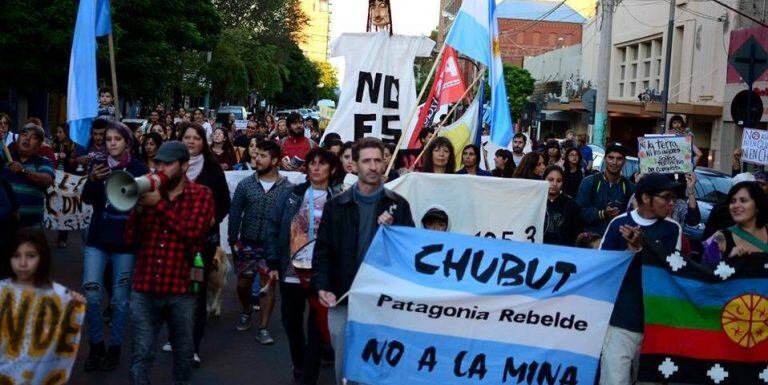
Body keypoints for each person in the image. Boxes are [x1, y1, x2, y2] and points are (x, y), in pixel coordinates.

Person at [312, 138, 415, 385]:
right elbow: (324, 251)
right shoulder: (337, 206)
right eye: (366, 161)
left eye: (377, 160)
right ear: (354, 165)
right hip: (343, 298)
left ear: (384, 163)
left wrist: (394, 232)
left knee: (379, 367)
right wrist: (322, 286)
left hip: (382, 302)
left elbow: (409, 254)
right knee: (345, 368)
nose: (372, 166)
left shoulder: (398, 206)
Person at [125, 141, 215, 385]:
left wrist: (160, 206)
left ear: (184, 166)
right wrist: (138, 210)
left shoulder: (201, 195)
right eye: (157, 163)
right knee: (141, 353)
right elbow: (130, 238)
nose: (160, 169)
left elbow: (194, 233)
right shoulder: (149, 193)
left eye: (167, 164)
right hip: (145, 287)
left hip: (181, 290)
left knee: (183, 355)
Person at [598, 173, 682, 385]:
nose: (672, 203)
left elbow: (672, 272)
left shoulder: (673, 229)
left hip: (655, 324)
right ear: (646, 198)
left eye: (673, 198)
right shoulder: (619, 223)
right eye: (666, 197)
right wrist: (629, 251)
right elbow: (602, 269)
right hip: (620, 321)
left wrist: (643, 248)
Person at [266, 148, 340, 385]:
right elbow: (273, 227)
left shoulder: (339, 199)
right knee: (291, 322)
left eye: (322, 163)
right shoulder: (291, 195)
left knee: (318, 326)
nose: (316, 167)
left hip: (323, 273)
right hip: (292, 271)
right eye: (312, 163)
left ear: (332, 169)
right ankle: (299, 361)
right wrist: (272, 262)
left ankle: (308, 373)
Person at [81, 121, 149, 372]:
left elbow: (146, 203)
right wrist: (92, 180)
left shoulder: (139, 169)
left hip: (125, 243)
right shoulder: (97, 166)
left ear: (127, 142)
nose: (111, 143)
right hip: (98, 239)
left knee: (121, 300)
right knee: (92, 294)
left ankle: (115, 348)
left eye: (116, 139)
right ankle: (96, 345)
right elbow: (88, 199)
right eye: (108, 139)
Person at [176, 122, 231, 364]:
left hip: (203, 244)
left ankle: (193, 346)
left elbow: (224, 202)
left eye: (196, 138)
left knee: (196, 290)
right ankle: (176, 335)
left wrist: (211, 219)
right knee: (175, 290)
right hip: (173, 243)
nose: (191, 142)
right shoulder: (170, 167)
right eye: (186, 137)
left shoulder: (212, 169)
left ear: (203, 141)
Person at [229, 140, 292, 345]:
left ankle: (263, 326)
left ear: (274, 160)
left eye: (263, 156)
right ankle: (247, 309)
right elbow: (236, 212)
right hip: (247, 242)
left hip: (271, 247)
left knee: (268, 287)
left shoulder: (287, 188)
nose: (257, 158)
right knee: (242, 283)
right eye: (257, 155)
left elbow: (289, 219)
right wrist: (232, 239)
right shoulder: (245, 184)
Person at [0, 124, 54, 228]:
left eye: (34, 137)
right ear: (18, 139)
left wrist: (23, 171)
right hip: (4, 227)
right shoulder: (5, 158)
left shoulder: (43, 162)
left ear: (39, 145)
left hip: (32, 228)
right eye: (24, 134)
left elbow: (47, 180)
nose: (27, 138)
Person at [576, 143, 634, 235]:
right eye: (611, 158)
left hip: (618, 240)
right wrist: (602, 213)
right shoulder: (589, 182)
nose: (614, 162)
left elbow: (634, 216)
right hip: (590, 238)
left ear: (624, 161)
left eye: (619, 159)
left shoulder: (630, 187)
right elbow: (579, 212)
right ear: (604, 159)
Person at [705, 181, 768, 264]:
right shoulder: (719, 238)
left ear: (757, 205)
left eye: (743, 200)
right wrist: (729, 260)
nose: (736, 205)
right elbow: (705, 272)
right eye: (732, 201)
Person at [542, 165, 581, 246]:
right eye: (550, 180)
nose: (555, 184)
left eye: (559, 181)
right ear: (543, 179)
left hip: (563, 251)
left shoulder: (572, 205)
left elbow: (575, 233)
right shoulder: (536, 202)